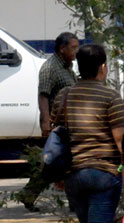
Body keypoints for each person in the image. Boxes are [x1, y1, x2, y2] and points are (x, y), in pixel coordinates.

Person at [52, 43, 124, 223]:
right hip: (104, 174)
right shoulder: (110, 97)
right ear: (103, 67)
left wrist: (59, 173)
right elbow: (121, 141)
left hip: (74, 174)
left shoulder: (64, 96)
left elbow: (56, 134)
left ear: (77, 67)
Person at [18, 32, 79, 211]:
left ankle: (72, 203)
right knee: (54, 162)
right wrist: (46, 121)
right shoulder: (50, 68)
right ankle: (29, 194)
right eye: (73, 47)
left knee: (64, 162)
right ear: (62, 49)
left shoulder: (67, 67)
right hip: (55, 124)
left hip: (68, 123)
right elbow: (43, 95)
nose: (76, 51)